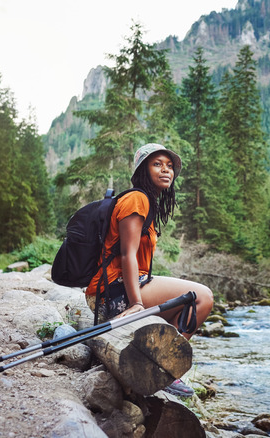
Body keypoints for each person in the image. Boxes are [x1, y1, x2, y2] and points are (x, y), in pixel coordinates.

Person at [85, 143, 214, 397]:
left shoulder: (146, 201)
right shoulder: (137, 198)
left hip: (116, 290)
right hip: (114, 294)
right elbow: (127, 254)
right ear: (142, 170)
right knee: (203, 298)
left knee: (192, 298)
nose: (166, 170)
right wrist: (136, 304)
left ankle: (157, 365)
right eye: (157, 164)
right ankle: (166, 368)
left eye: (169, 166)